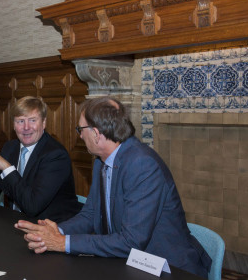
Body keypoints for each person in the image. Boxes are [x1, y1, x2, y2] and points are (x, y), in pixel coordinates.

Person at [15, 97, 212, 278]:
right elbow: (90, 215)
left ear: (97, 134)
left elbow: (131, 242)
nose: (80, 136)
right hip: (127, 263)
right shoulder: (102, 161)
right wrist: (55, 230)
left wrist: (62, 243)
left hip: (169, 268)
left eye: (80, 129)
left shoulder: (142, 164)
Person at [0, 96, 82, 223]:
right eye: (20, 121)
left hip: (50, 231)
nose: (26, 127)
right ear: (14, 126)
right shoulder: (10, 148)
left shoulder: (56, 155)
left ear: (44, 123)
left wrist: (7, 168)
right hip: (15, 225)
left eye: (32, 120)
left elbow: (32, 206)